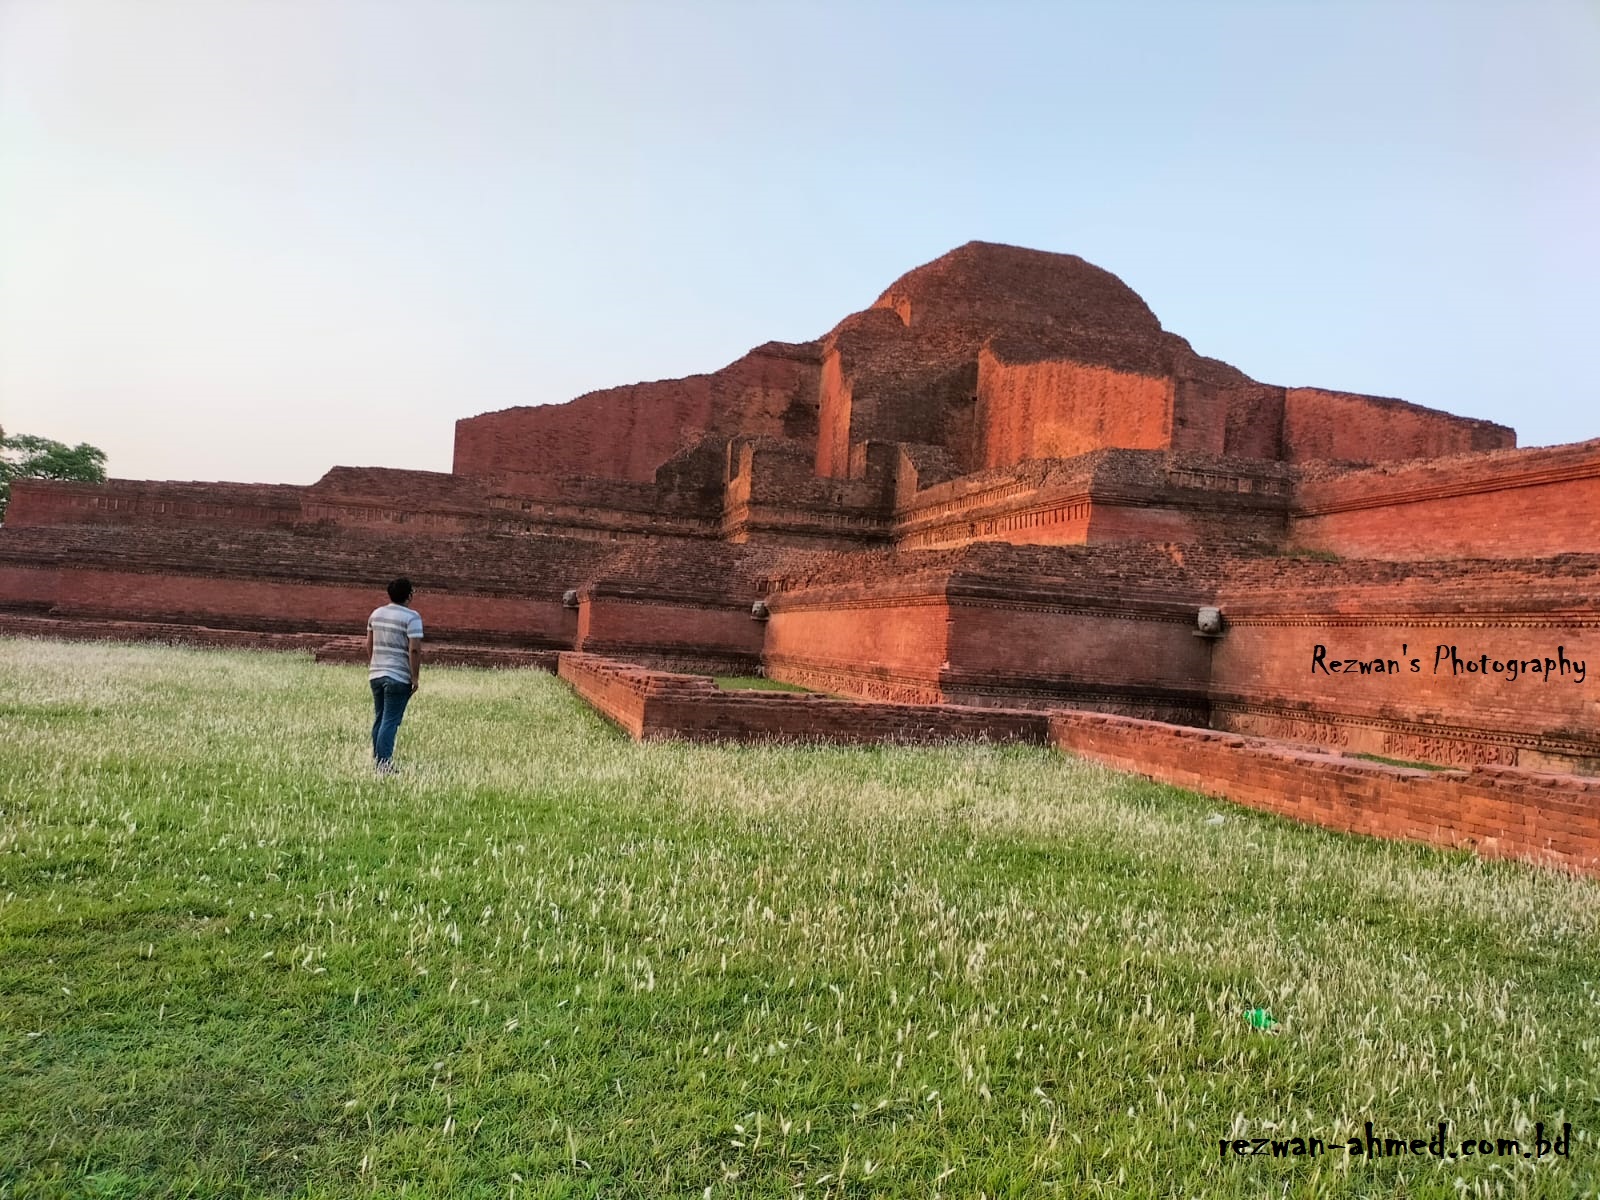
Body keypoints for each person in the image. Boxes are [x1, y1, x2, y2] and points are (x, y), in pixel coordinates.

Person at [366, 577, 423, 773]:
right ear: (409, 595)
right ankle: (384, 764)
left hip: (376, 673)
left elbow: (369, 643)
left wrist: (374, 664)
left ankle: (378, 760)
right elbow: (414, 649)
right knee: (390, 720)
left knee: (380, 718)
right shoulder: (412, 618)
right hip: (398, 676)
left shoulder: (376, 614)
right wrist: (415, 677)